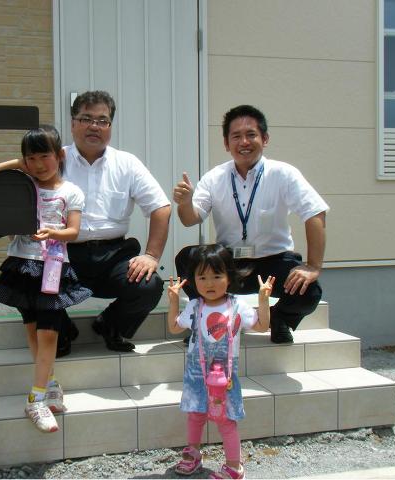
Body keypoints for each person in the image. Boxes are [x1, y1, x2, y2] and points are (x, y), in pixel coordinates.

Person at [173, 104, 328, 344]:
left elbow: (315, 212)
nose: (244, 142)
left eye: (251, 134)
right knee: (187, 258)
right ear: (226, 143)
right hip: (230, 263)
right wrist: (184, 203)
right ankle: (206, 319)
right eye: (236, 136)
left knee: (310, 290)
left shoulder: (283, 174)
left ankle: (279, 319)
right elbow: (190, 218)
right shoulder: (214, 177)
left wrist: (313, 266)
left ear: (265, 139)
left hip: (274, 262)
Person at [0, 125, 92, 433]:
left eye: (45, 156)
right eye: (32, 158)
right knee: (32, 330)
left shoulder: (71, 191)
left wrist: (53, 232)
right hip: (21, 266)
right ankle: (50, 385)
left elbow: (73, 231)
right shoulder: (23, 184)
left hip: (53, 268)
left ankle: (36, 399)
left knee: (49, 334)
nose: (39, 164)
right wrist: (19, 164)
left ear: (59, 156)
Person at [62, 90, 171, 352]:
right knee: (25, 278)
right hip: (64, 255)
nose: (94, 126)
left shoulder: (127, 163)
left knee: (149, 284)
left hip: (112, 256)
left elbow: (161, 207)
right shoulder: (55, 159)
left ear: (110, 126)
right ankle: (61, 331)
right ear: (73, 123)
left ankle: (110, 324)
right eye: (86, 118)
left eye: (103, 120)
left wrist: (151, 256)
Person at [167, 244, 274, 479]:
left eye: (216, 276)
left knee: (226, 420)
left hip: (224, 376)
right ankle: (193, 455)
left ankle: (234, 466)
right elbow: (174, 327)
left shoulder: (237, 305)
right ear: (193, 280)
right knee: (195, 414)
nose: (209, 283)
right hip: (196, 372)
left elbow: (261, 326)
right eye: (202, 277)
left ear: (229, 277)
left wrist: (263, 301)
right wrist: (173, 300)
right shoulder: (195, 305)